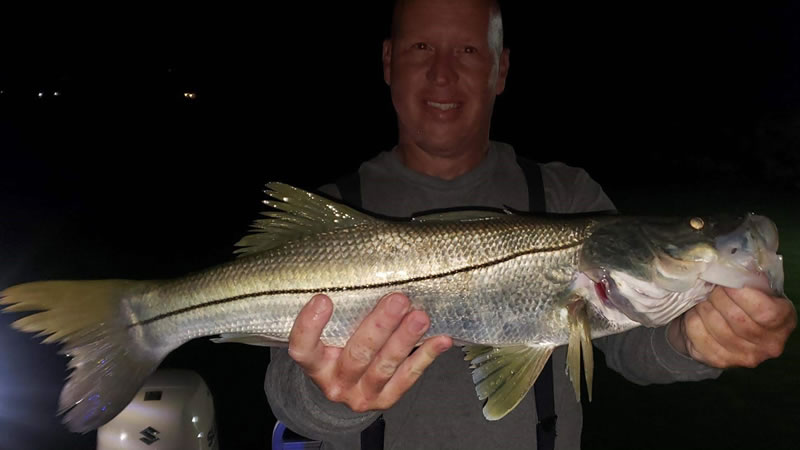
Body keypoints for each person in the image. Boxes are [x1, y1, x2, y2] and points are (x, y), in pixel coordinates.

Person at [265, 1, 797, 448]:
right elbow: (288, 397)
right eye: (421, 48)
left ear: (501, 70)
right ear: (387, 61)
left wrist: (694, 340)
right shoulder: (330, 216)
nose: (443, 73)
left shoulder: (567, 196)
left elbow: (635, 347)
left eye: (469, 51)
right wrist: (327, 398)